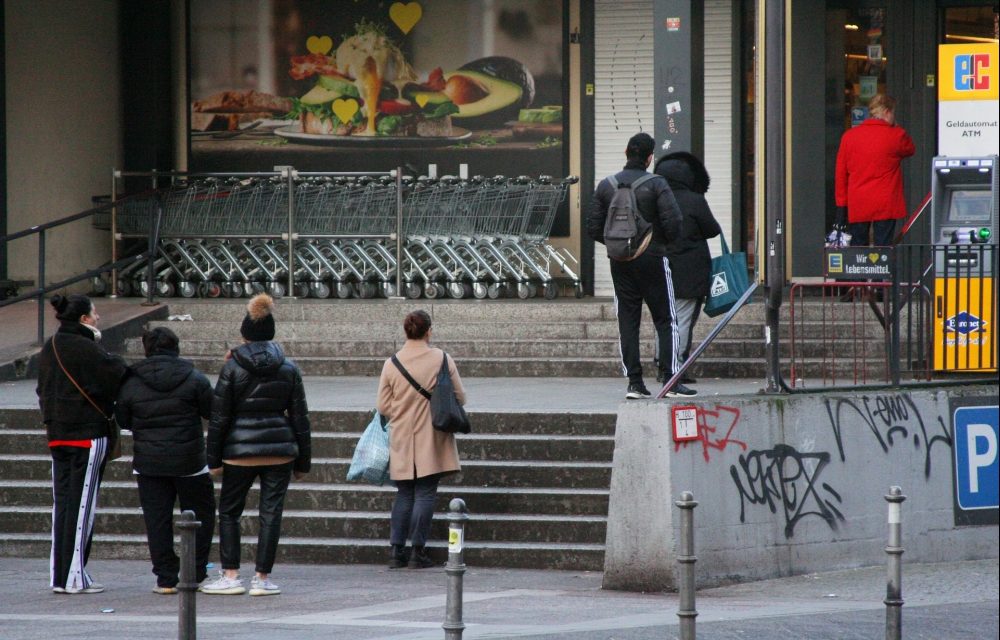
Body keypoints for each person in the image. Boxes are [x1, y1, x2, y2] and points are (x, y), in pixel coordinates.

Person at [202, 293, 310, 596]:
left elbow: (219, 417)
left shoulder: (232, 367)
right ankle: (262, 578)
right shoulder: (288, 368)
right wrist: (303, 462)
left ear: (245, 334)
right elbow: (300, 417)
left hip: (238, 452)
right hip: (280, 450)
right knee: (271, 513)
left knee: (230, 512)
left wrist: (213, 459)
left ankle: (231, 574)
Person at [587, 132, 695, 399]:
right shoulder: (657, 183)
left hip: (620, 261)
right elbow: (674, 223)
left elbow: (593, 227)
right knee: (666, 319)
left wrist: (619, 245)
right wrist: (660, 245)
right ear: (649, 158)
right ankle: (670, 380)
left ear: (626, 152)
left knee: (627, 320)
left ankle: (635, 383)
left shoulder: (605, 185)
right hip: (653, 257)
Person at [36, 293, 127, 594]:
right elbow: (118, 375)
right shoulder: (87, 348)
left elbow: (41, 388)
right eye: (95, 313)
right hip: (87, 434)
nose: (98, 317)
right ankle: (75, 576)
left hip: (56, 433)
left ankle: (59, 576)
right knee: (83, 505)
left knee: (62, 504)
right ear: (84, 319)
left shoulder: (51, 347)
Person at [115, 327, 214, 595]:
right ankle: (195, 571)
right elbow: (210, 410)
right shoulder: (194, 377)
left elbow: (123, 419)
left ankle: (166, 578)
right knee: (201, 516)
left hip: (149, 463)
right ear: (176, 348)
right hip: (189, 461)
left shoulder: (131, 381)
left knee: (156, 520)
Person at [376, 310, 466, 569]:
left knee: (404, 493)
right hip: (433, 434)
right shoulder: (441, 359)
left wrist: (402, 412)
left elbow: (382, 405)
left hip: (402, 435)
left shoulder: (392, 363)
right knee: (425, 492)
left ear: (406, 331)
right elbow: (460, 396)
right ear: (428, 331)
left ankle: (396, 551)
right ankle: (418, 551)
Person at [654, 151, 722, 383]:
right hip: (689, 270)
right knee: (682, 319)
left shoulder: (653, 197)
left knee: (663, 320)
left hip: (656, 268)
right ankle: (675, 367)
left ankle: (661, 362)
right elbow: (712, 229)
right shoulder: (694, 200)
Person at [834, 93, 915, 248]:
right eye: (893, 113)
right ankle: (882, 271)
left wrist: (841, 206)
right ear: (887, 112)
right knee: (883, 248)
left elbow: (841, 174)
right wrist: (896, 126)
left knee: (858, 247)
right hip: (886, 201)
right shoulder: (895, 136)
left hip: (858, 201)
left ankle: (860, 272)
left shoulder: (849, 137)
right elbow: (910, 149)